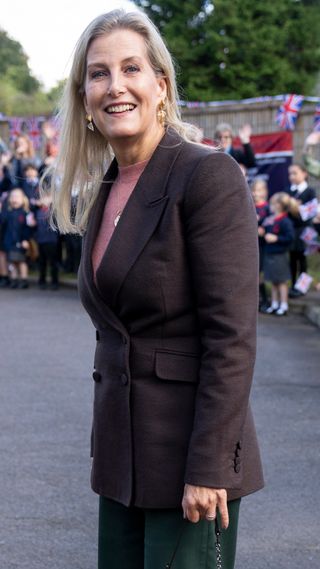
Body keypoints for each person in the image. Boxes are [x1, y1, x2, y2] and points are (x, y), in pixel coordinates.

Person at [48, 9, 264, 569]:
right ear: (85, 98)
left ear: (160, 86)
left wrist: (210, 467)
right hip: (121, 467)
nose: (114, 86)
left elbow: (232, 338)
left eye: (131, 68)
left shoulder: (207, 176)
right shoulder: (105, 187)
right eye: (98, 74)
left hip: (191, 470)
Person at [285, 163, 317, 297]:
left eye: (295, 173)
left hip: (306, 230)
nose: (291, 176)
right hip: (292, 230)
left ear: (304, 173)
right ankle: (293, 286)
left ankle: (302, 287)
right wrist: (292, 207)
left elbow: (311, 210)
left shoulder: (310, 191)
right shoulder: (289, 191)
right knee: (292, 259)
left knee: (303, 260)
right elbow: (285, 210)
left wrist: (297, 208)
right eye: (290, 174)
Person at [263, 192, 295, 316]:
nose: (270, 206)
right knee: (273, 281)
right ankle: (274, 304)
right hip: (269, 254)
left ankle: (284, 305)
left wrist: (276, 238)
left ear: (279, 205)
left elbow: (290, 237)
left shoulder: (285, 221)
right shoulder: (270, 219)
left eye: (272, 203)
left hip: (280, 255)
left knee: (281, 281)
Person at [0, 188, 32, 289]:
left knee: (22, 261)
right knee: (11, 262)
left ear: (23, 199)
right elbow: (3, 225)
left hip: (20, 241)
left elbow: (27, 228)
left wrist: (25, 239)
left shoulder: (25, 213)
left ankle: (24, 279)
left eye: (17, 196)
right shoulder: (7, 213)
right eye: (13, 196)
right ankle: (14, 279)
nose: (15, 198)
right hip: (9, 242)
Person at [251, 178, 270, 312]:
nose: (255, 193)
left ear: (264, 192)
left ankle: (265, 300)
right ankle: (255, 301)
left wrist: (264, 230)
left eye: (258, 190)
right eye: (253, 190)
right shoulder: (249, 206)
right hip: (251, 245)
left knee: (260, 274)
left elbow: (273, 225)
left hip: (263, 246)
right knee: (253, 273)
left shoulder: (268, 208)